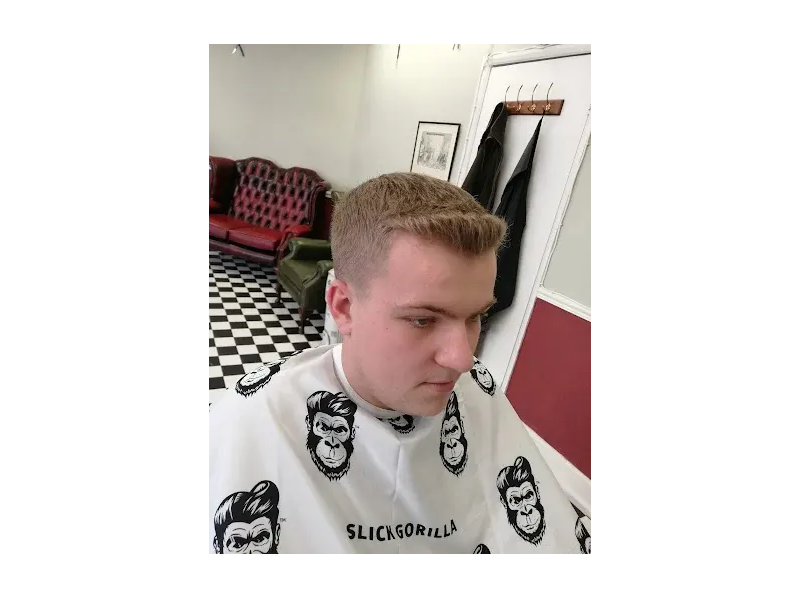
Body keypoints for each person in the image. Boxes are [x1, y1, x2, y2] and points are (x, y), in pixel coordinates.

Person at [209, 172, 590, 553]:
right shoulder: (254, 419)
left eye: (476, 317)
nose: (463, 359)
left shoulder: (477, 389)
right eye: (423, 320)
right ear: (344, 307)